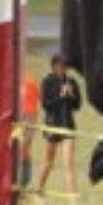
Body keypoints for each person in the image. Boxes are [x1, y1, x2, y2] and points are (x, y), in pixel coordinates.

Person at [36, 56, 84, 196]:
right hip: (52, 125)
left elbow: (77, 106)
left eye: (67, 67)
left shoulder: (72, 82)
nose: (66, 70)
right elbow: (46, 105)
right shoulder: (47, 81)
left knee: (69, 163)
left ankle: (72, 197)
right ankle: (39, 190)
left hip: (68, 126)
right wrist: (61, 96)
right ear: (55, 67)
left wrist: (71, 95)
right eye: (63, 66)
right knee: (48, 162)